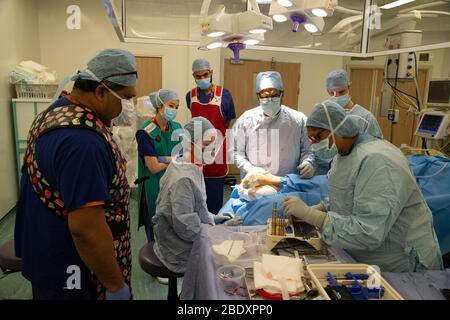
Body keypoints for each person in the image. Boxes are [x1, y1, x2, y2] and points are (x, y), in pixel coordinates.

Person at [14, 49, 137, 300]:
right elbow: (86, 229)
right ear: (101, 92)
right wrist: (114, 285)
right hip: (74, 272)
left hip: (46, 256)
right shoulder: (83, 142)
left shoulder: (56, 112)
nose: (129, 106)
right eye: (126, 98)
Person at [283, 101, 443, 273]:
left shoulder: (378, 161)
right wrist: (321, 207)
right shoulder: (343, 155)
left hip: (403, 266)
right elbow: (346, 196)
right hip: (368, 260)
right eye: (311, 139)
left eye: (317, 137)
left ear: (337, 128)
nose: (314, 144)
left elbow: (368, 232)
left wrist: (315, 217)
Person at [152, 117, 242, 273]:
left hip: (184, 233)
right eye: (207, 145)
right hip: (177, 248)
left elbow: (196, 206)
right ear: (189, 143)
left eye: (215, 145)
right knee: (223, 262)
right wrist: (216, 232)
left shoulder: (191, 164)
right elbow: (186, 227)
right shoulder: (183, 177)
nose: (213, 150)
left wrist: (213, 218)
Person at [232, 71, 314, 179]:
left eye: (274, 95)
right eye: (265, 96)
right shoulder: (245, 120)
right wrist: (249, 168)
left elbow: (308, 150)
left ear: (282, 94)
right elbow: (236, 151)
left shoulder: (299, 120)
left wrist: (307, 162)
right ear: (258, 96)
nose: (269, 99)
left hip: (287, 183)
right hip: (255, 182)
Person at [186, 58, 236, 214]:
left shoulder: (224, 95)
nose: (202, 79)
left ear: (211, 72)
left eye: (205, 75)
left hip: (216, 155)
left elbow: (226, 123)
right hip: (196, 155)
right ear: (193, 76)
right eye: (198, 76)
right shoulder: (190, 96)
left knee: (214, 206)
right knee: (196, 203)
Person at [135, 89, 182, 242]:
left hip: (173, 184)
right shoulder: (145, 132)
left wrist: (163, 158)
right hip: (153, 186)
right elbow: (154, 167)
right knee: (156, 230)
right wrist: (173, 159)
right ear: (160, 106)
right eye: (171, 106)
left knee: (173, 229)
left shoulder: (177, 127)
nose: (174, 110)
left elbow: (183, 155)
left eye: (176, 107)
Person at [326, 69, 383, 139]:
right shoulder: (323, 115)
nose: (337, 96)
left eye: (341, 92)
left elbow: (376, 145)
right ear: (328, 91)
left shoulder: (365, 117)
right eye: (333, 93)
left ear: (349, 87)